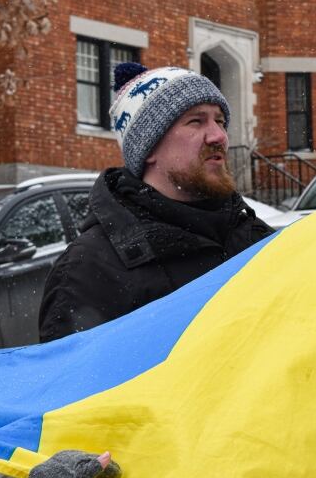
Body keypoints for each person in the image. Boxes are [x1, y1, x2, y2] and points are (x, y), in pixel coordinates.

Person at [38, 62, 274, 343]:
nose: (219, 136)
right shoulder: (88, 270)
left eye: (220, 121)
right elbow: (78, 383)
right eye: (196, 121)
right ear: (148, 148)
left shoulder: (255, 236)